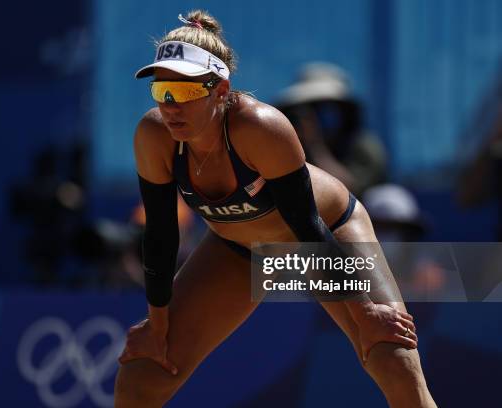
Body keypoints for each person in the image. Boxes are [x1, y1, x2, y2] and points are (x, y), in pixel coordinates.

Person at [115, 10, 436, 407]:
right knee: (144, 371)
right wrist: (156, 326)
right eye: (162, 90)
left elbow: (308, 226)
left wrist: (367, 312)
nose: (170, 106)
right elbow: (161, 237)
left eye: (184, 92)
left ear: (220, 90)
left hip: (326, 234)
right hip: (240, 249)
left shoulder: (261, 127)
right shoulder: (154, 135)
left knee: (392, 358)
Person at [275, 63, 387, 197]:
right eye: (309, 108)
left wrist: (315, 145)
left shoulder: (364, 147)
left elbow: (347, 192)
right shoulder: (291, 146)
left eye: (322, 108)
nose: (313, 116)